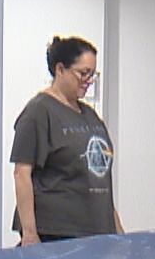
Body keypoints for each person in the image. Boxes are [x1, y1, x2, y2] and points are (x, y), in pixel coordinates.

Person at [10, 36, 124, 245]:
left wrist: (118, 231)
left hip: (97, 230)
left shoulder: (90, 115)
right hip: (57, 232)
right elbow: (21, 173)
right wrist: (30, 233)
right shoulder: (39, 111)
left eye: (92, 75)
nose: (88, 80)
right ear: (60, 69)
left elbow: (98, 178)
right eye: (83, 73)